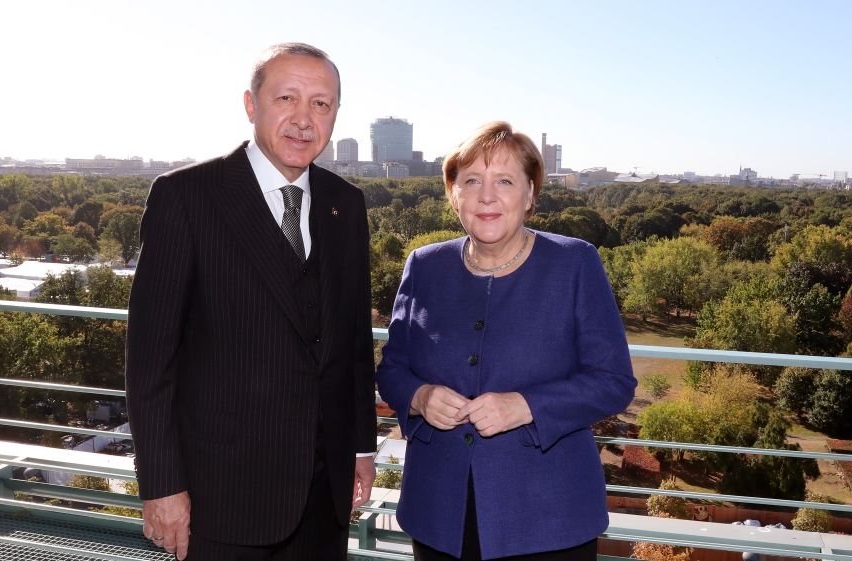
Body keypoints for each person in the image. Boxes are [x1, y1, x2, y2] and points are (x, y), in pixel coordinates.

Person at [126, 43, 377, 561]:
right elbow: (150, 361)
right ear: (250, 104)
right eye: (287, 98)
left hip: (323, 498)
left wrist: (360, 447)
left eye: (321, 104)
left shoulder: (346, 204)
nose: (304, 119)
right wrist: (162, 484)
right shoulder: (186, 196)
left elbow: (354, 343)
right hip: (221, 498)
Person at [375, 121, 637, 561]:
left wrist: (527, 406)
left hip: (549, 521)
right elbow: (392, 369)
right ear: (453, 194)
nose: (486, 196)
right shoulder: (423, 266)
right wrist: (420, 397)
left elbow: (613, 380)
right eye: (471, 181)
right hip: (439, 515)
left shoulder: (575, 263)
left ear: (530, 194)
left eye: (504, 181)